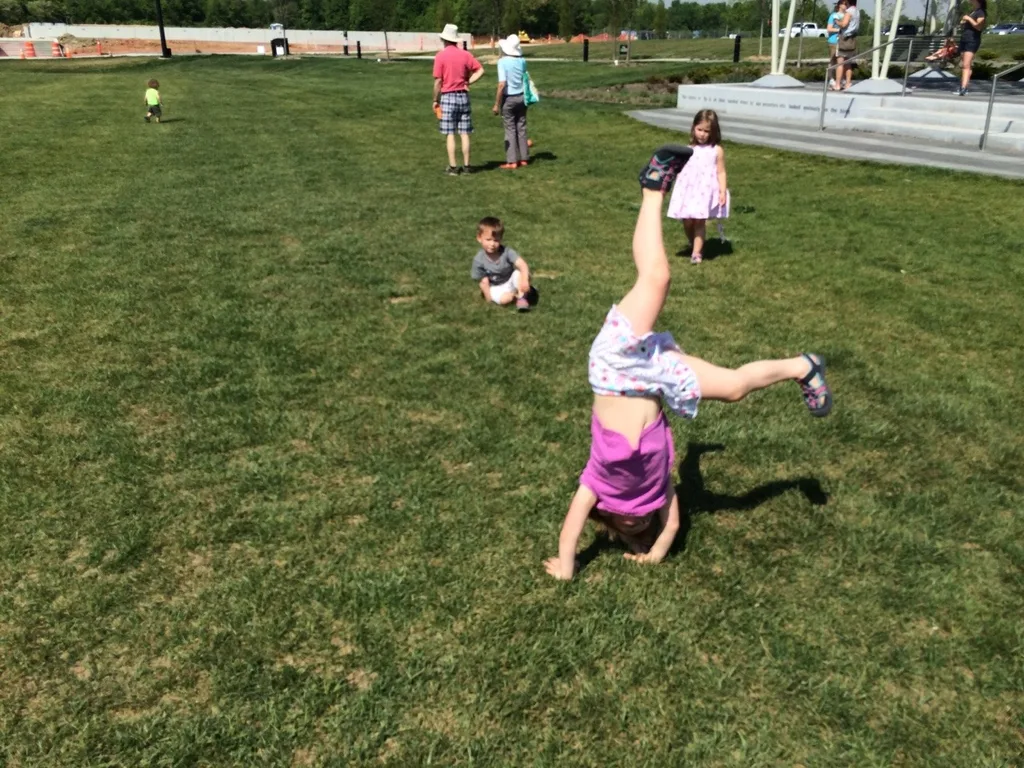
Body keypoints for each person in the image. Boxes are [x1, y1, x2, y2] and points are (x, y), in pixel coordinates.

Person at [544, 146, 833, 581]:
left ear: (608, 519)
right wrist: (656, 552)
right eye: (643, 526)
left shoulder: (595, 488)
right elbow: (673, 525)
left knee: (657, 277)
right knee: (734, 389)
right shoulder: (660, 492)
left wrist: (567, 566)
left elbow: (570, 530)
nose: (640, 523)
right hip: (655, 380)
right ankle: (802, 367)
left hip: (615, 369)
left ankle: (653, 188)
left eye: (633, 526)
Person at [666, 110, 729, 266]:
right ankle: (692, 242)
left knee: (700, 221)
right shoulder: (688, 149)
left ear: (713, 132)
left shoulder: (716, 150)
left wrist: (722, 190)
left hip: (705, 190)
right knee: (687, 220)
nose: (702, 134)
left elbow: (721, 171)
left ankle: (696, 252)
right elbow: (681, 169)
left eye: (706, 131)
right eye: (699, 129)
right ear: (693, 128)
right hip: (689, 190)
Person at [432, 24, 485, 176]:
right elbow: (480, 70)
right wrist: (469, 82)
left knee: (450, 133)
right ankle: (467, 166)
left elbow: (437, 81)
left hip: (448, 96)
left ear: (444, 39)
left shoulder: (440, 56)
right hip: (463, 95)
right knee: (464, 133)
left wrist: (435, 99)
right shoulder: (465, 55)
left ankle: (453, 167)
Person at [471, 217, 532, 312]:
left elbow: (522, 264)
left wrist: (524, 280)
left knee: (520, 273)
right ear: (479, 238)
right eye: (488, 240)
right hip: (495, 287)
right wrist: (489, 301)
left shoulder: (506, 252)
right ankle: (515, 296)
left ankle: (522, 299)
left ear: (501, 239)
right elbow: (484, 282)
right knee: (505, 300)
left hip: (509, 281)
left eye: (496, 240)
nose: (492, 244)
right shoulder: (479, 260)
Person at [492, 34, 530, 170]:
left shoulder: (502, 62)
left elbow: (502, 84)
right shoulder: (522, 61)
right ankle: (524, 158)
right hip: (522, 97)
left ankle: (512, 161)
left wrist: (497, 103)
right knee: (521, 127)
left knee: (510, 129)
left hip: (509, 98)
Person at [957, 0, 987, 96]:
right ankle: (964, 84)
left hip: (972, 40)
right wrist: (963, 22)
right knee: (965, 65)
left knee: (966, 65)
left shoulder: (981, 12)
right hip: (964, 38)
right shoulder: (973, 11)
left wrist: (969, 19)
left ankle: (963, 88)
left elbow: (978, 27)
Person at [835, 0, 860, 91]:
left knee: (840, 62)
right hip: (852, 39)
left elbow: (844, 24)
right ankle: (848, 83)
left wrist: (838, 22)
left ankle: (837, 84)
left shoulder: (849, 12)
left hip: (845, 39)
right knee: (848, 63)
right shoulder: (857, 11)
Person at [826, 1, 848, 90]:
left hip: (844, 41)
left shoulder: (847, 15)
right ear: (839, 5)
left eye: (847, 4)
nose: (846, 6)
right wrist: (838, 30)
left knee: (842, 61)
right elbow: (829, 28)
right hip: (834, 41)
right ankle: (831, 79)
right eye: (844, 4)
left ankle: (841, 80)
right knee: (833, 60)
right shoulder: (834, 15)